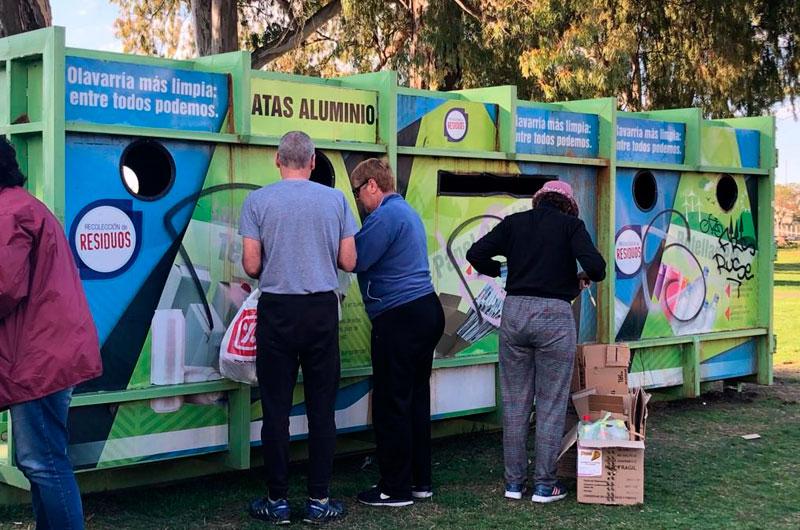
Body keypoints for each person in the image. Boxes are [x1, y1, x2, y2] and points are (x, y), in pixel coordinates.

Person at [239, 131, 357, 524]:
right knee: (323, 409)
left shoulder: (257, 201)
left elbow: (252, 266)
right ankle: (319, 501)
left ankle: (278, 502)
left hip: (277, 310)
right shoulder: (336, 199)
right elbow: (349, 261)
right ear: (311, 162)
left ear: (277, 160)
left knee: (276, 410)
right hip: (322, 310)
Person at [466, 180, 606, 504]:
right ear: (568, 205)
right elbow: (597, 268)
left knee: (515, 403)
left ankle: (513, 484)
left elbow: (476, 253)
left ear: (539, 200)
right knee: (551, 403)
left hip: (514, 313)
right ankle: (545, 486)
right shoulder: (572, 227)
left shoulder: (515, 223)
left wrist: (500, 269)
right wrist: (578, 278)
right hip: (555, 317)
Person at [0, 137, 103, 529]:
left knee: (43, 461)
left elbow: (4, 287)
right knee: (41, 460)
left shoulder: (8, 213)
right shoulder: (23, 206)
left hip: (38, 358)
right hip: (49, 351)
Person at [349, 158, 444, 507]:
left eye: (360, 193)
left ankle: (395, 488)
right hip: (425, 311)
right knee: (415, 400)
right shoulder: (405, 212)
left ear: (373, 185)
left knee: (392, 403)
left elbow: (356, 258)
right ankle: (420, 481)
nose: (361, 201)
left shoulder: (385, 216)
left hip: (400, 316)